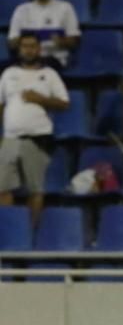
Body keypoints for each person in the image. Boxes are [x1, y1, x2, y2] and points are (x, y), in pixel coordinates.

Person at [0, 32, 69, 227]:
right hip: (10, 138)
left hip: (37, 138)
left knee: (35, 190)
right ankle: (9, 231)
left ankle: (31, 233)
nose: (28, 49)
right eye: (24, 46)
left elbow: (64, 103)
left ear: (39, 49)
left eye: (32, 46)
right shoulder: (8, 74)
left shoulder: (49, 75)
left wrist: (41, 99)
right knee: (3, 188)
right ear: (19, 49)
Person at [7, 0, 80, 69]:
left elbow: (73, 42)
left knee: (37, 67)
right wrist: (24, 42)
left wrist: (61, 41)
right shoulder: (21, 10)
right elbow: (12, 43)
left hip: (54, 58)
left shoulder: (65, 8)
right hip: (25, 58)